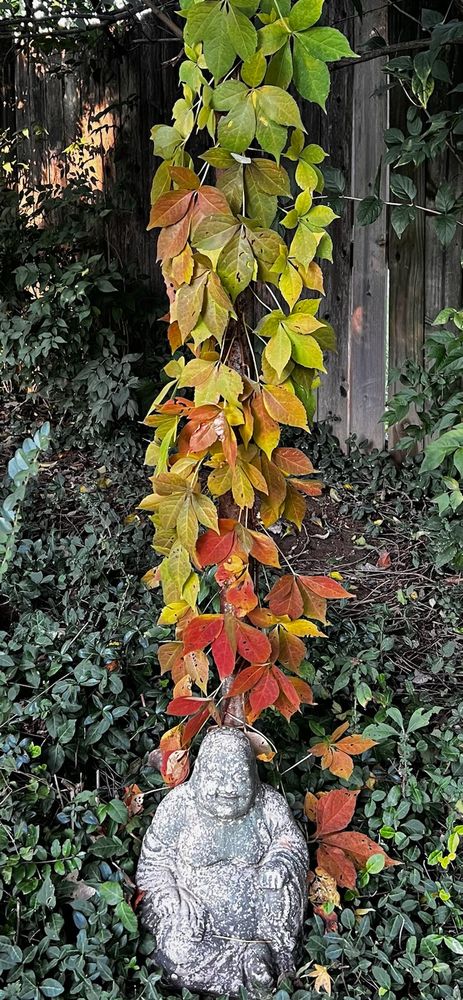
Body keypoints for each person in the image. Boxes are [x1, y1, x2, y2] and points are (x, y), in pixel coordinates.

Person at [136, 727, 308, 996]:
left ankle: (266, 952)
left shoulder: (268, 804)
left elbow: (290, 842)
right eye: (217, 777)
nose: (228, 788)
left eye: (239, 777)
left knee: (282, 883)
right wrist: (169, 892)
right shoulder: (179, 805)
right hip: (193, 917)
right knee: (177, 950)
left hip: (259, 919)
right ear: (199, 773)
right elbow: (154, 860)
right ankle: (245, 965)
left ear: (253, 776)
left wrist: (280, 862)